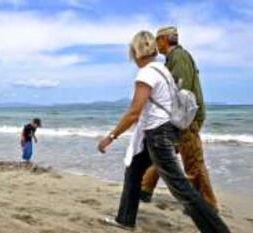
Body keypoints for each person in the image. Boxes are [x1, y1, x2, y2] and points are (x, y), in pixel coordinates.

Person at [97, 31, 230, 232]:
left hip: (158, 135)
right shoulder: (162, 70)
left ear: (135, 51)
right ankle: (125, 219)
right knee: (133, 171)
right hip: (160, 132)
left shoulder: (146, 74)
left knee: (181, 188)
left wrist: (111, 137)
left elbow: (134, 112)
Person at [139, 26, 218, 211]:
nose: (156, 45)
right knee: (162, 154)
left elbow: (181, 92)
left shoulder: (179, 57)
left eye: (157, 40)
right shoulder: (173, 58)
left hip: (185, 119)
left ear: (164, 40)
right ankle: (144, 189)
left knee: (193, 161)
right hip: (178, 117)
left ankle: (207, 204)